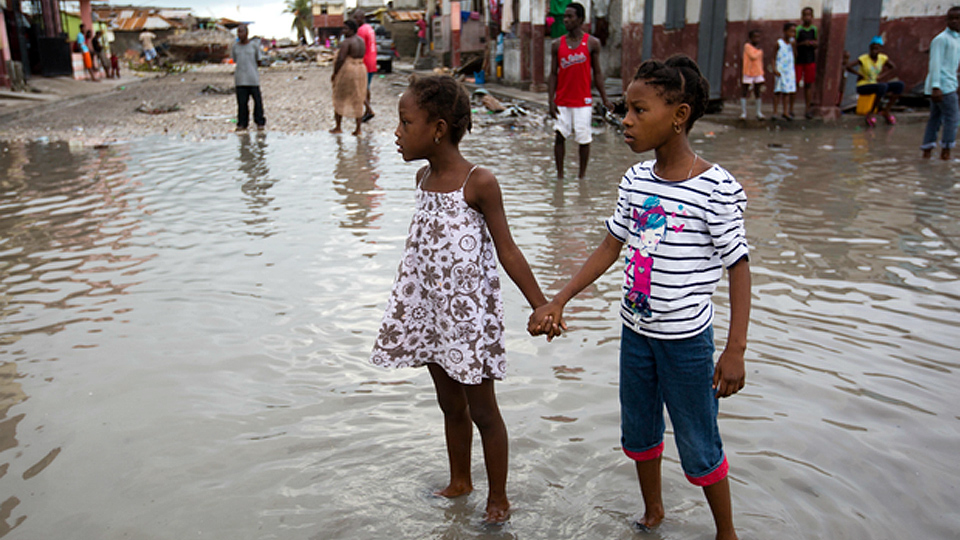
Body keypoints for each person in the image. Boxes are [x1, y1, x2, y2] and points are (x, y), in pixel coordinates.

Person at [530, 55, 751, 540]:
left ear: (679, 116)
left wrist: (734, 350)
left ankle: (726, 532)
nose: (625, 121)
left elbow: (738, 266)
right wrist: (560, 298)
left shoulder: (715, 188)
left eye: (638, 110)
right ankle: (653, 512)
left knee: (699, 440)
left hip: (687, 343)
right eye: (625, 110)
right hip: (637, 334)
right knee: (640, 432)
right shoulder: (635, 181)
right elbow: (612, 244)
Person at [370, 74, 551, 524]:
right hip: (431, 312)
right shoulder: (422, 177)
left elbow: (507, 248)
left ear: (439, 128)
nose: (396, 132)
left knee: (484, 410)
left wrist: (541, 303)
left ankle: (499, 499)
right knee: (450, 405)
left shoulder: (479, 182)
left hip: (467, 319)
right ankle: (460, 481)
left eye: (405, 122)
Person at [547, 2, 613, 180]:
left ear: (581, 19)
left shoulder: (592, 43)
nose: (566, 20)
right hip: (562, 100)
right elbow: (553, 74)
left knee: (584, 138)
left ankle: (581, 177)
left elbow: (597, 73)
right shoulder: (557, 44)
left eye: (570, 17)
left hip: (583, 100)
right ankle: (560, 176)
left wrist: (605, 98)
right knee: (560, 136)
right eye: (565, 17)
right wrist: (550, 100)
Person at [921, 6, 960, 160]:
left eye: (958, 18)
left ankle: (927, 152)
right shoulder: (941, 39)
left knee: (935, 118)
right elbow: (935, 64)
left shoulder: (956, 39)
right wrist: (936, 87)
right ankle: (946, 152)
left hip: (950, 84)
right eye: (951, 18)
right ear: (946, 20)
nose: (955, 21)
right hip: (943, 87)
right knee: (953, 118)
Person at [846, 36, 904, 127]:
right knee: (882, 87)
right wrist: (859, 74)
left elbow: (892, 67)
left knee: (899, 85)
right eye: (872, 48)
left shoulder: (883, 58)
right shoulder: (864, 58)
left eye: (876, 48)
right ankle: (871, 112)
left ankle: (886, 110)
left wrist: (881, 76)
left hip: (875, 84)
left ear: (880, 49)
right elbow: (848, 66)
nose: (874, 51)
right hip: (863, 86)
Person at [330, 20, 367, 136]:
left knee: (339, 96)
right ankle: (358, 128)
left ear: (352, 30)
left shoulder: (347, 42)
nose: (343, 31)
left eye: (345, 29)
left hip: (349, 69)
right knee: (358, 97)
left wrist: (335, 73)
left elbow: (341, 58)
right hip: (361, 68)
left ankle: (338, 127)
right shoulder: (361, 41)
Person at [231, 24, 266, 131]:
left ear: (247, 33)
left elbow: (259, 60)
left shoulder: (254, 46)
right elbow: (235, 60)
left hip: (253, 79)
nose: (239, 34)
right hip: (240, 80)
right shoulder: (235, 47)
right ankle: (242, 123)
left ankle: (259, 121)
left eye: (241, 32)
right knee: (242, 103)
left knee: (257, 102)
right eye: (238, 32)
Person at [353, 9, 377, 123]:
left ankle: (369, 109)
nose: (355, 20)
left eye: (356, 18)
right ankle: (367, 111)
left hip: (365, 62)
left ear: (361, 18)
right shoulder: (369, 28)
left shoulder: (361, 31)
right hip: (372, 61)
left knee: (359, 88)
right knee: (366, 87)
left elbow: (359, 48)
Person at [796, 7, 819, 118]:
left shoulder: (814, 29)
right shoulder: (798, 29)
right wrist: (803, 43)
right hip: (799, 59)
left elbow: (816, 42)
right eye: (805, 15)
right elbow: (794, 44)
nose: (807, 17)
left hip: (810, 59)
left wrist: (813, 44)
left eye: (809, 15)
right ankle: (791, 108)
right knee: (795, 83)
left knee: (808, 84)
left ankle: (808, 108)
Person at [773, 23, 797, 120]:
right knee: (777, 91)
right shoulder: (779, 43)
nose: (792, 34)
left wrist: (794, 46)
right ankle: (775, 112)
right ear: (785, 32)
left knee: (787, 92)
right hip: (780, 70)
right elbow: (773, 57)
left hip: (789, 70)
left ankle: (785, 111)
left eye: (794, 32)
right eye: (791, 31)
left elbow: (795, 55)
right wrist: (774, 68)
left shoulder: (792, 44)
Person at [741, 29, 764, 119]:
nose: (757, 39)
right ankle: (744, 112)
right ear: (750, 38)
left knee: (758, 91)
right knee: (745, 91)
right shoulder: (747, 46)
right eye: (754, 37)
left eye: (758, 37)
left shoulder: (758, 48)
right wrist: (759, 51)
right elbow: (753, 56)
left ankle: (758, 112)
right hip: (748, 72)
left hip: (757, 72)